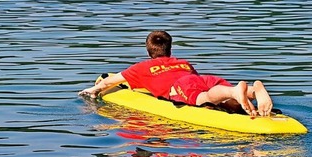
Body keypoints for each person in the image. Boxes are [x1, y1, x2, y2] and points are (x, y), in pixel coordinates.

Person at [78, 30, 273, 117]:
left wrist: (93, 91)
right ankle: (252, 91)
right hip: (201, 78)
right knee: (222, 99)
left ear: (148, 52)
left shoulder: (142, 67)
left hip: (182, 87)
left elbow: (110, 82)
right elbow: (196, 81)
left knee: (204, 98)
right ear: (170, 49)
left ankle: (233, 93)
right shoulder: (182, 63)